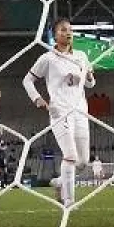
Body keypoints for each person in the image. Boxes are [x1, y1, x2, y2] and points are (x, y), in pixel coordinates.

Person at [24, 18, 96, 209]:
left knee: (82, 162)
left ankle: (59, 182)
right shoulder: (48, 58)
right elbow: (27, 81)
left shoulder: (81, 56)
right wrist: (37, 99)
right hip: (60, 112)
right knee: (70, 156)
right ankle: (69, 201)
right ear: (55, 35)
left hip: (81, 111)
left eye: (70, 30)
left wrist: (88, 75)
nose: (68, 33)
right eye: (63, 30)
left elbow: (90, 84)